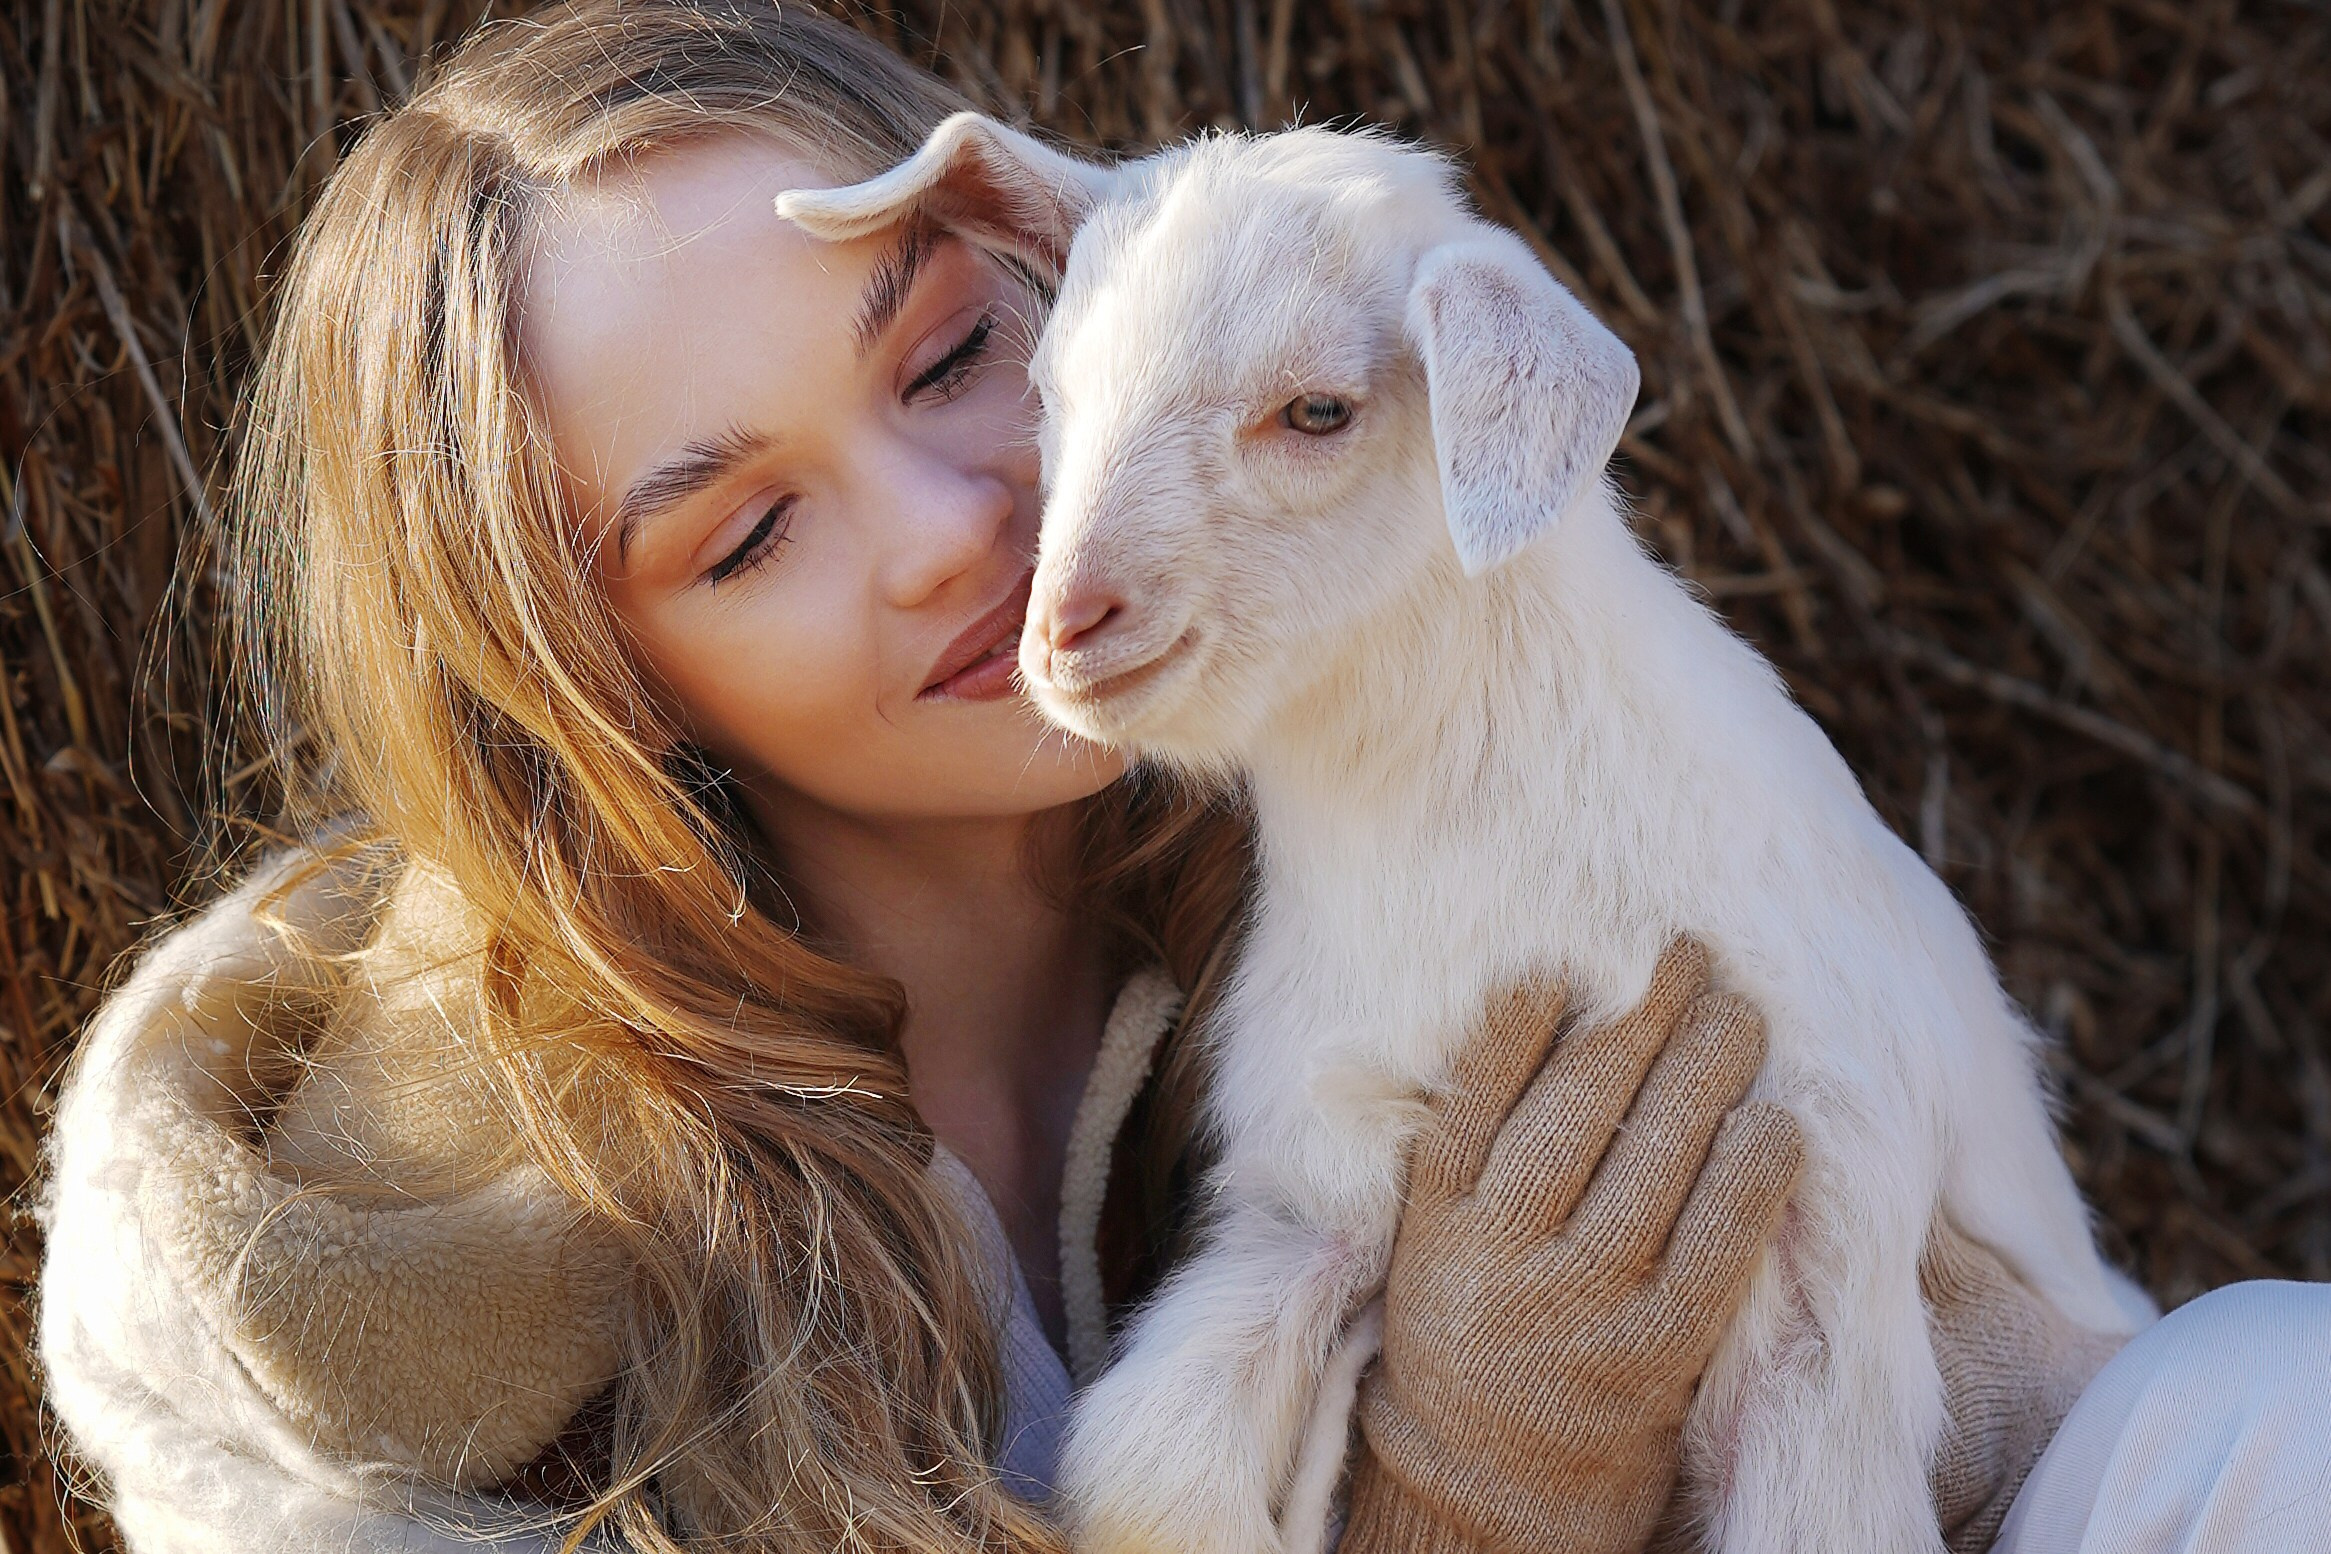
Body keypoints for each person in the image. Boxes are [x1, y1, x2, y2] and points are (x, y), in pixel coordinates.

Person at [33, 4, 2156, 1552]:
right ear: (597, 679)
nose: (961, 530)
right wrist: (1453, 1503)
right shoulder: (395, 1281)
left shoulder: (1396, 849)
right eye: (747, 534)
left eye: (957, 356)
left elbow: (2028, 1406)